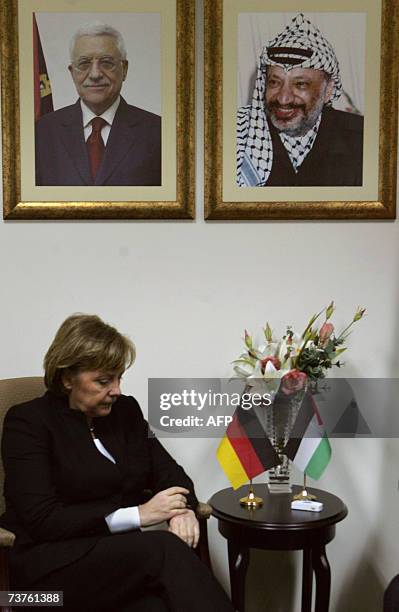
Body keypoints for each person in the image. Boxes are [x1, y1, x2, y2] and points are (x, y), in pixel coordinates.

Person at [0, 314, 233, 611]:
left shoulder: (127, 412)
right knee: (162, 548)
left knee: (158, 605)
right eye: (103, 380)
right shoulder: (28, 421)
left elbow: (170, 473)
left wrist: (182, 511)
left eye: (119, 377)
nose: (116, 390)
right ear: (67, 377)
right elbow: (44, 519)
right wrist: (139, 515)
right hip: (45, 578)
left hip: (116, 568)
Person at [236, 13, 364, 187]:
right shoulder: (240, 134)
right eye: (274, 82)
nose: (283, 98)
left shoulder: (363, 138)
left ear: (328, 90)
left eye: (300, 84)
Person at [35, 23, 161, 186]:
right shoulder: (41, 133)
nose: (95, 74)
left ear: (125, 69)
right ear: (72, 72)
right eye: (84, 64)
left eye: (107, 63)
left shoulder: (159, 133)